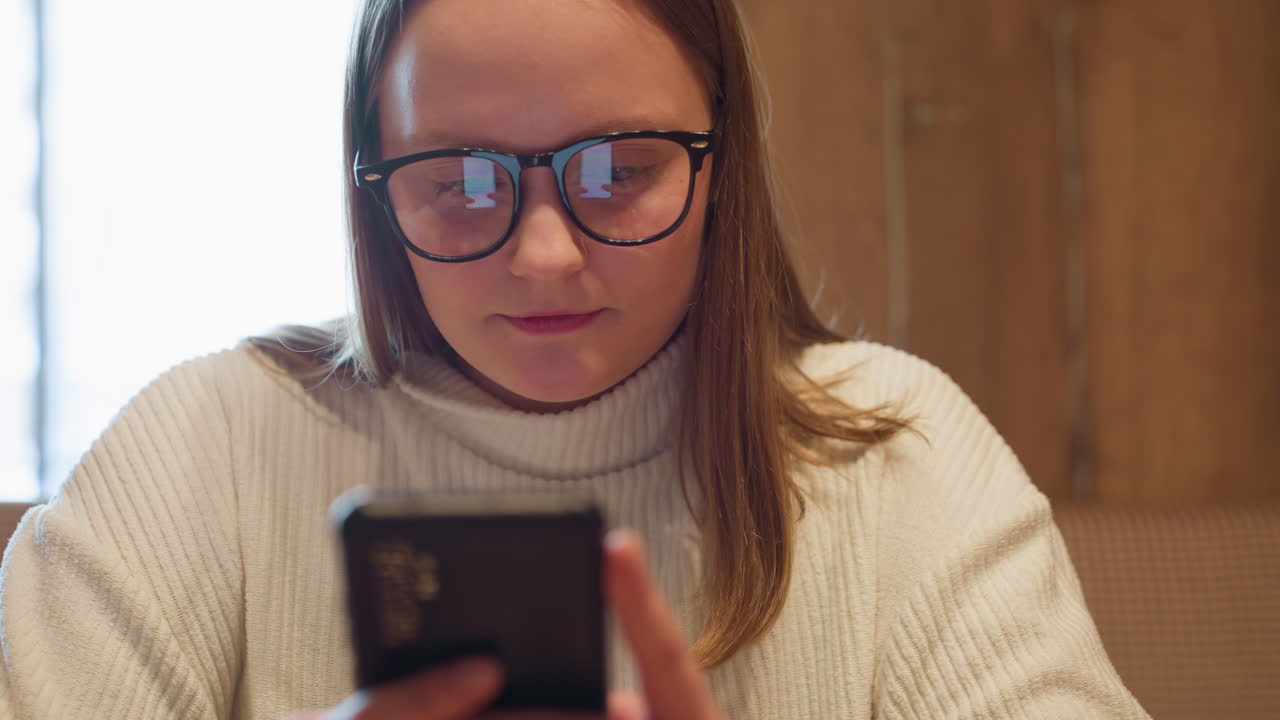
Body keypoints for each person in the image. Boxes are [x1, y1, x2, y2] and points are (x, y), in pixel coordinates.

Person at [0, 0, 1150, 718]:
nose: (544, 256)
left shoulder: (899, 457)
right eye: (456, 183)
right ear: (370, 186)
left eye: (619, 172)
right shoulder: (200, 454)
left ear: (720, 163)